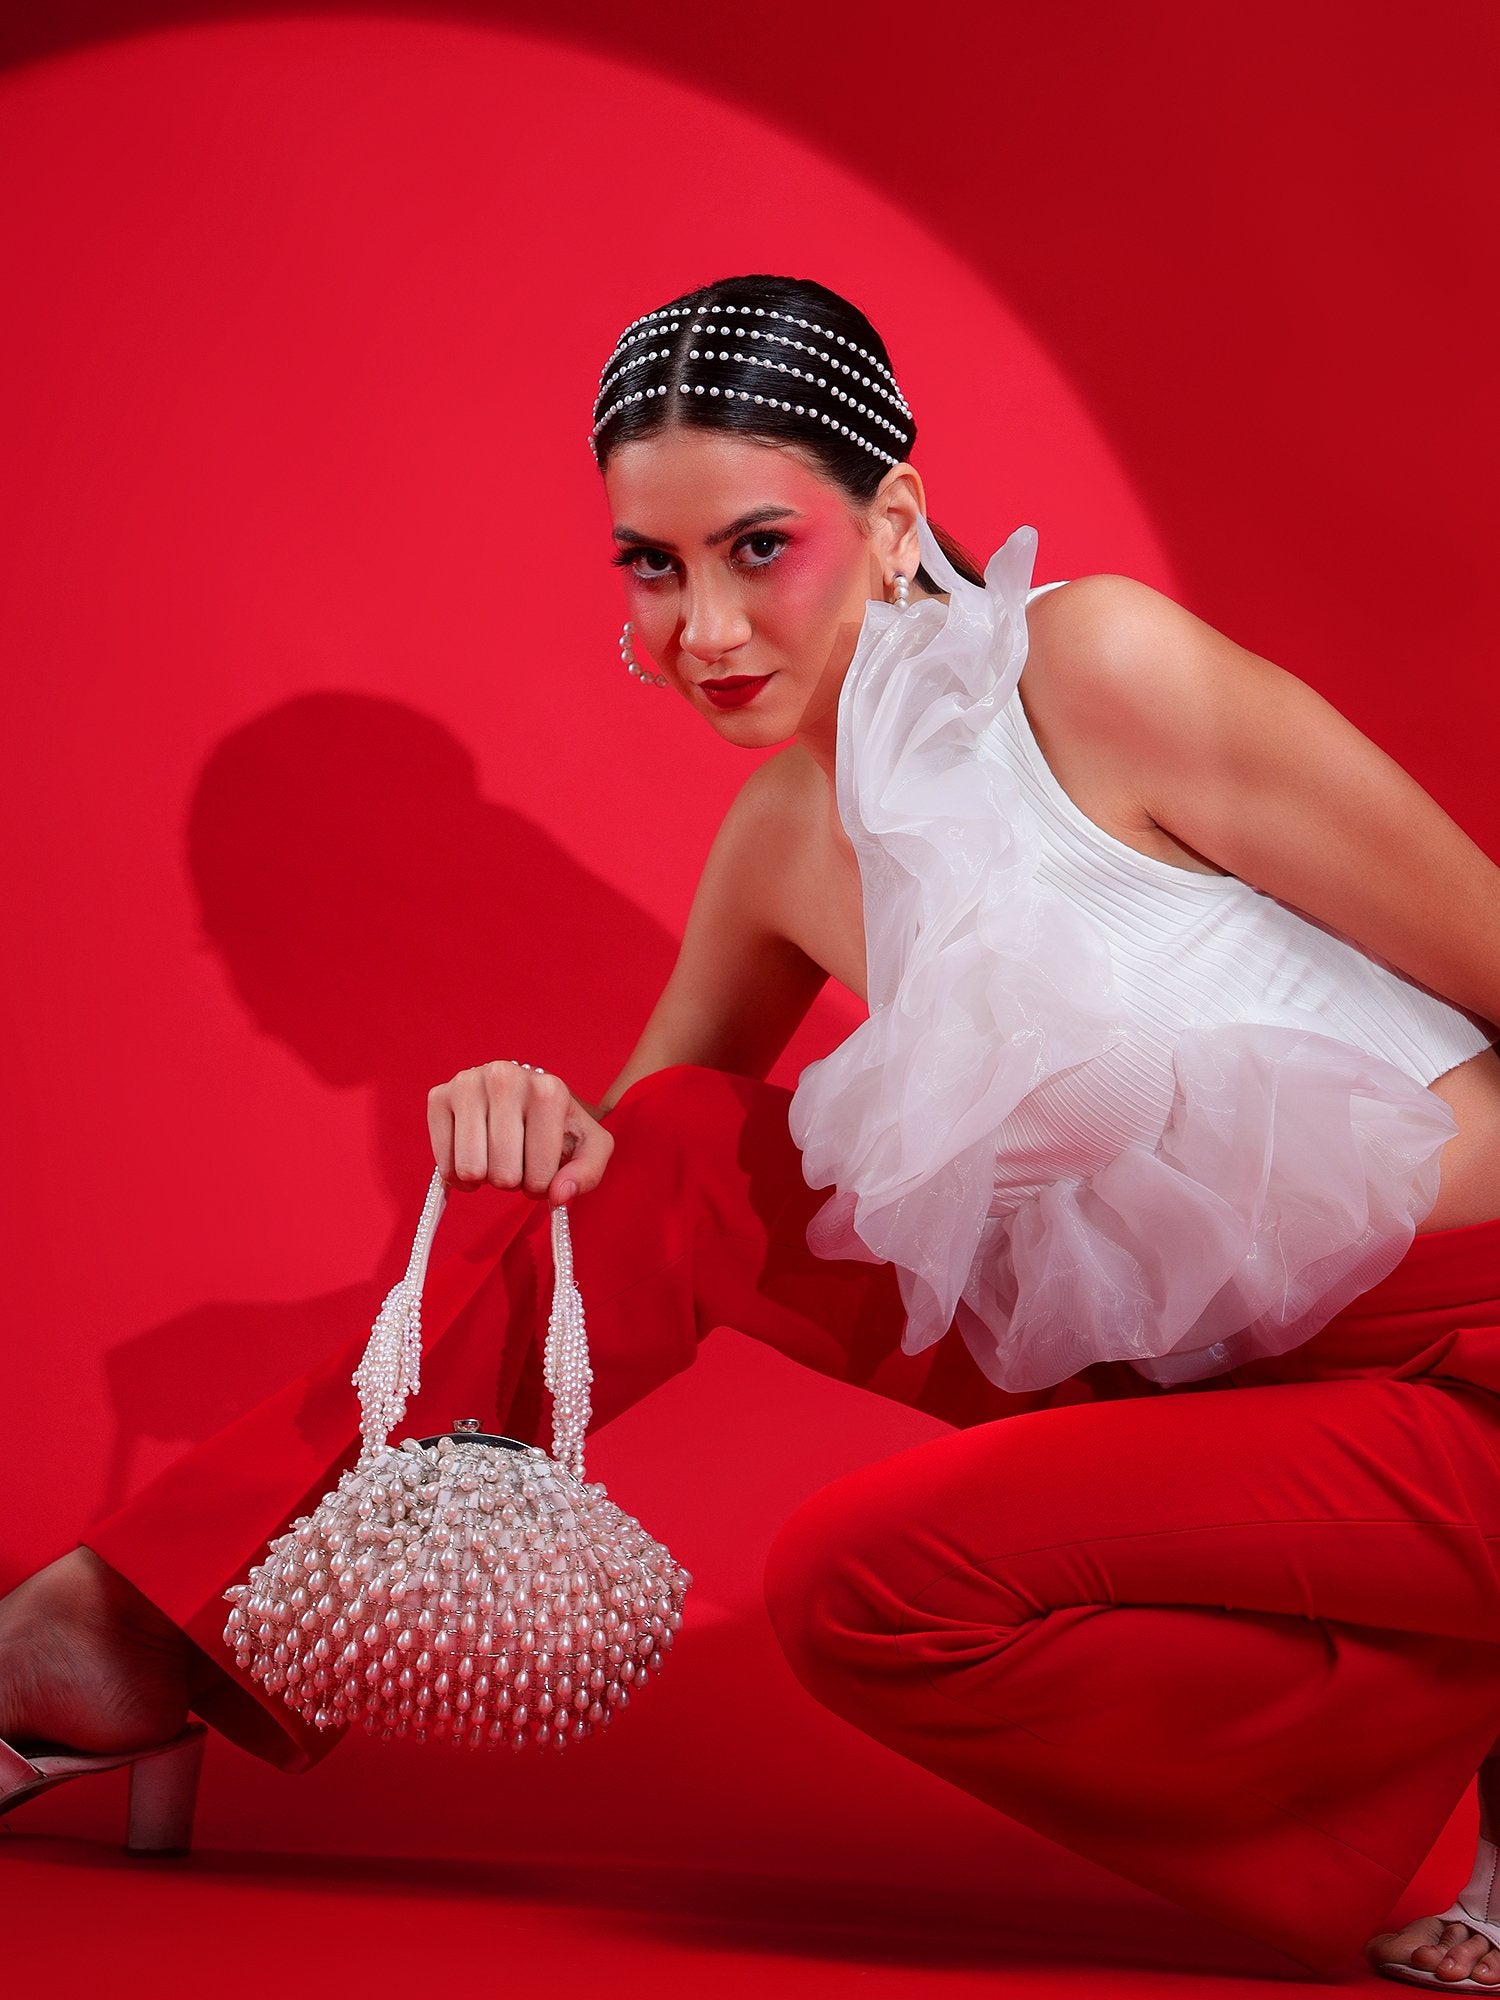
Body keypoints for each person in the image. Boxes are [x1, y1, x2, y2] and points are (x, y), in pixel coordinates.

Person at [4, 272, 1500, 1987]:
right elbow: (625, 1211)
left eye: (756, 547)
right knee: (667, 1160)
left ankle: (1444, 1687)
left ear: (894, 521)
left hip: (1464, 1354)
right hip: (1217, 1376)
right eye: (655, 565)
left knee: (866, 1586)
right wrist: (538, 1129)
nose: (701, 628)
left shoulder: (1100, 671)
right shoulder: (787, 845)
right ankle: (128, 1627)